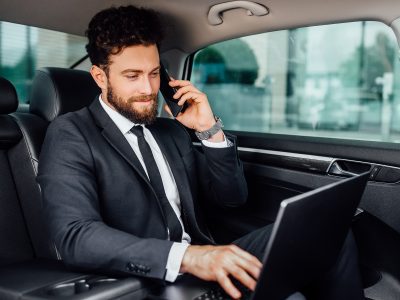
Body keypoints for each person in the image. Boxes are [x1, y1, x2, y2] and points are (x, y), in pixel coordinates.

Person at [38, 5, 364, 300]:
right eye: (132, 76)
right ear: (100, 76)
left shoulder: (169, 132)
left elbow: (232, 198)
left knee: (331, 234)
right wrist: (191, 258)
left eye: (154, 74)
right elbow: (75, 236)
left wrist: (209, 130)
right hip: (144, 280)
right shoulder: (71, 133)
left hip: (202, 266)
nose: (148, 89)